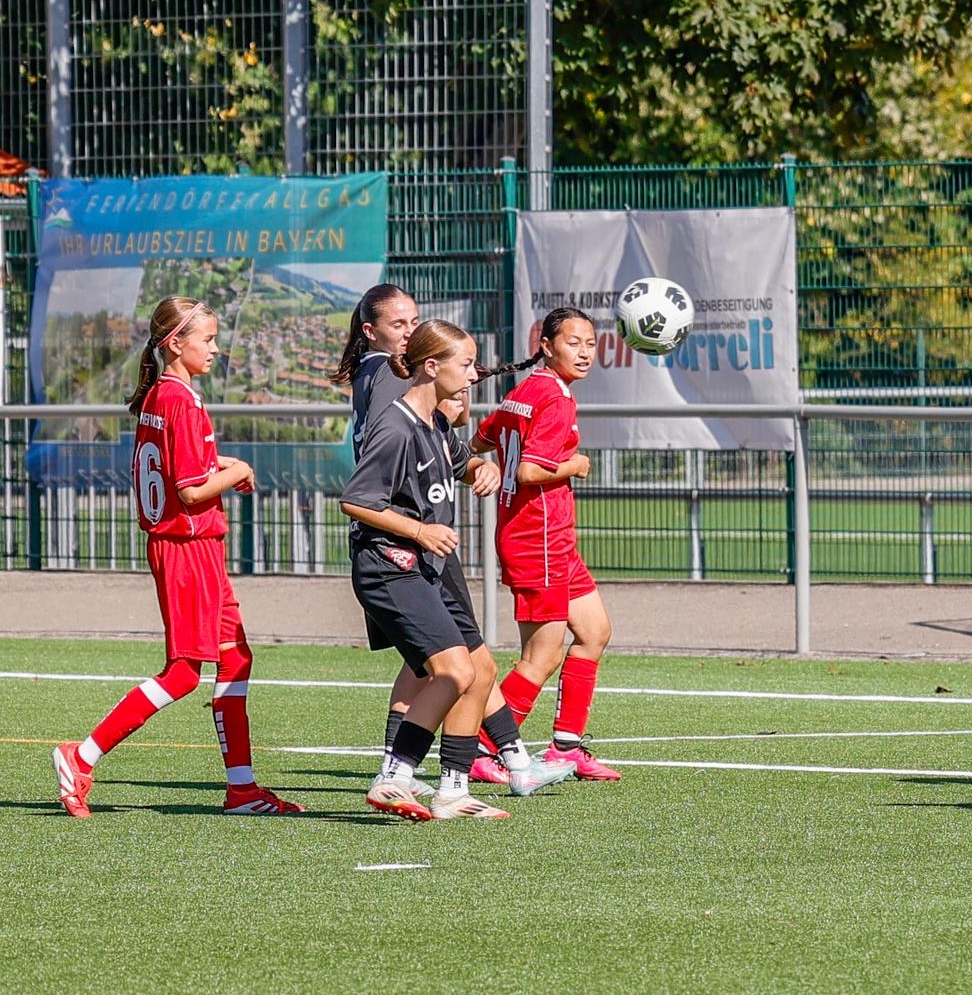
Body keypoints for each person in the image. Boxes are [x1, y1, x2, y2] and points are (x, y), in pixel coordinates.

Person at [52, 297, 303, 817]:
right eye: (206, 339)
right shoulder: (180, 400)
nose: (215, 348)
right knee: (184, 673)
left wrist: (222, 463)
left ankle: (242, 789)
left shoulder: (163, 395)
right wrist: (238, 471)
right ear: (175, 343)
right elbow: (190, 491)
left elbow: (180, 465)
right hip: (186, 548)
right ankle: (82, 755)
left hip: (194, 547)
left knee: (236, 657)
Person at [331, 285, 568, 791]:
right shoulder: (391, 385)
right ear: (372, 332)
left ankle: (497, 764)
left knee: (456, 664)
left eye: (414, 321)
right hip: (399, 548)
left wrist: (477, 463)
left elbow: (447, 441)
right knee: (456, 666)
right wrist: (420, 526)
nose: (409, 331)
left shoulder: (405, 396)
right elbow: (372, 482)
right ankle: (413, 771)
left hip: (419, 543)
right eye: (399, 324)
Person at [471, 308, 621, 780]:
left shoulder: (525, 390)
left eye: (590, 344)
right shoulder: (554, 398)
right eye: (573, 342)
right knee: (543, 656)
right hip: (538, 540)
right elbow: (529, 471)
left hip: (551, 538)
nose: (584, 352)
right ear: (547, 346)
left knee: (594, 632)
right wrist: (575, 465)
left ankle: (565, 748)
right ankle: (479, 750)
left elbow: (480, 439)